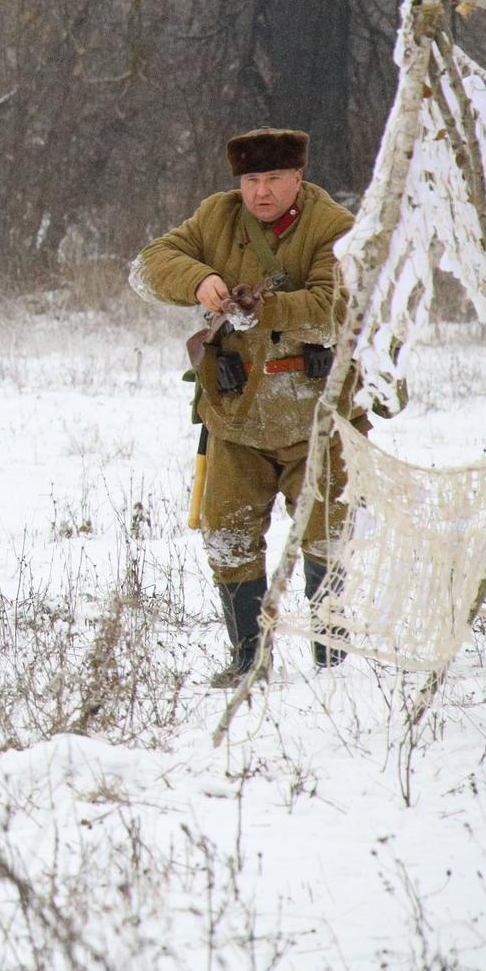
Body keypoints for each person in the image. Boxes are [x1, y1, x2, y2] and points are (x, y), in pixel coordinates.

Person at [136, 128, 355, 685]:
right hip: (235, 414)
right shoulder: (217, 216)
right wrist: (200, 278)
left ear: (298, 177)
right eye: (251, 180)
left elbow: (335, 306)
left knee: (327, 534)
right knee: (226, 533)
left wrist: (269, 308)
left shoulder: (335, 227)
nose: (261, 192)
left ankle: (335, 666)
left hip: (318, 414)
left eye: (274, 179)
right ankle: (247, 661)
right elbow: (149, 265)